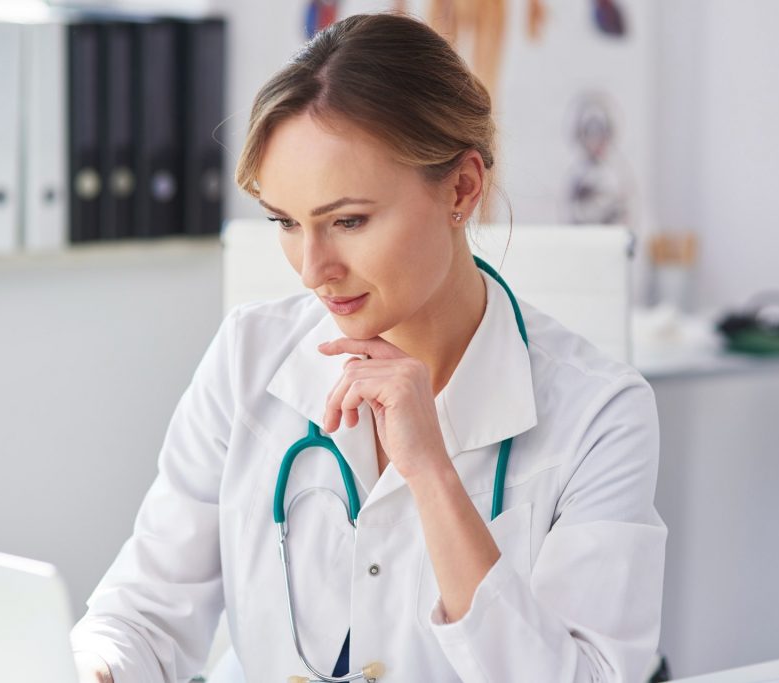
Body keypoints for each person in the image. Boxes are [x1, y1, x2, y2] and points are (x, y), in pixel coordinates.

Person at [70, 12, 666, 683]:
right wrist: (99, 666)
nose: (311, 267)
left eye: (348, 220)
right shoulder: (247, 356)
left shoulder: (600, 414)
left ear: (463, 189)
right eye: (286, 223)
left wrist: (433, 474)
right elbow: (146, 613)